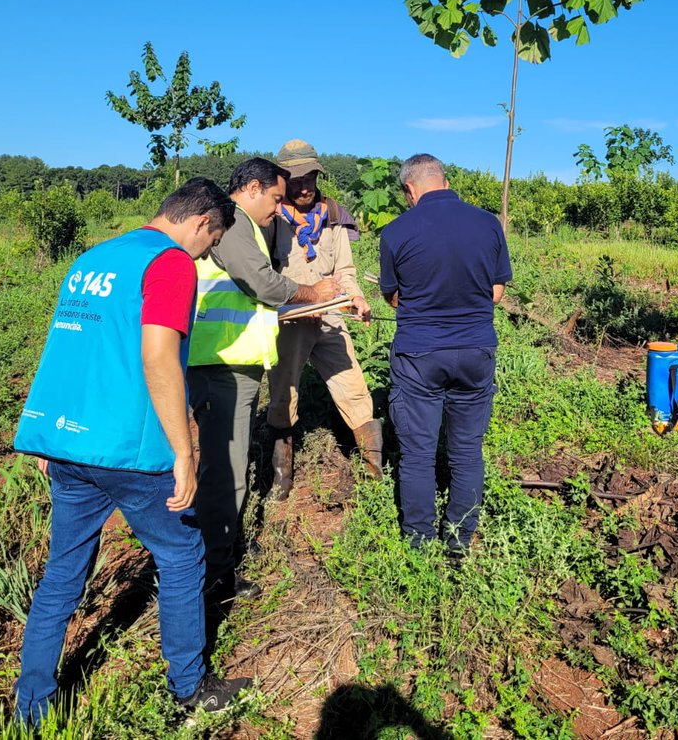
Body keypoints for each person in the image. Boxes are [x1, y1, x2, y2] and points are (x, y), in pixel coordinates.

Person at [12, 178, 248, 725]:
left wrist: (48, 434)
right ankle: (189, 686)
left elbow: (68, 345)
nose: (207, 253)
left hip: (70, 444)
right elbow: (159, 355)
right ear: (200, 224)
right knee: (182, 555)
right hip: (131, 449)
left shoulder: (95, 258)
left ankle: (31, 709)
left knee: (64, 574)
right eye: (211, 243)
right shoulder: (170, 263)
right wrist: (184, 451)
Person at [187, 157, 341, 601]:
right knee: (226, 473)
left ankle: (214, 560)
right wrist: (313, 293)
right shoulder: (232, 221)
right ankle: (214, 576)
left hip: (232, 365)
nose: (279, 208)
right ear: (252, 188)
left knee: (224, 466)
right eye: (275, 198)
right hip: (222, 367)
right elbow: (261, 283)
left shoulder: (244, 226)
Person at [378, 154, 511, 557]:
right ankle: (459, 541)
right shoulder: (488, 223)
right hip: (475, 351)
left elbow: (393, 298)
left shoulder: (396, 231)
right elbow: (497, 293)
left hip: (420, 354)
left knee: (418, 454)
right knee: (467, 450)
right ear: (446, 180)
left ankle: (418, 545)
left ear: (409, 189)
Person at [266, 139, 382, 499]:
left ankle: (374, 473)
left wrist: (356, 296)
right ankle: (281, 479)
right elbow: (264, 275)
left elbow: (345, 269)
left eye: (310, 178)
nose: (304, 188)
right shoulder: (269, 219)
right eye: (296, 180)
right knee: (283, 396)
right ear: (282, 180)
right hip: (290, 321)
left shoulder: (332, 215)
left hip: (331, 318)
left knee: (355, 388)